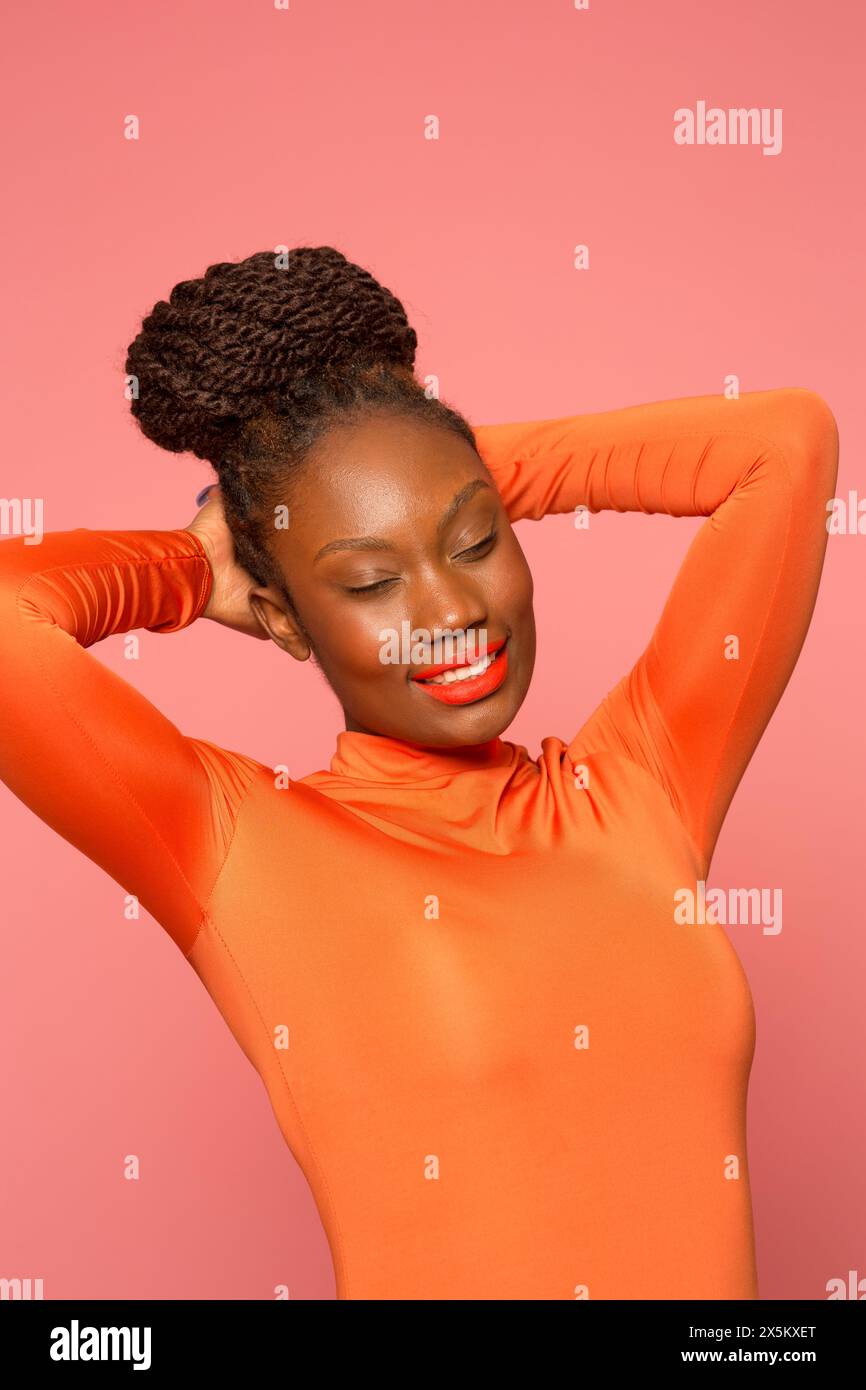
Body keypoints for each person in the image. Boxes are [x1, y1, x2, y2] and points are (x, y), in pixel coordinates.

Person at [0, 246, 839, 1299]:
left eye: (475, 537)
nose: (450, 612)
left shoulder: (639, 789)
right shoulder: (234, 844)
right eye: (369, 578)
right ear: (279, 619)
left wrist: (408, 454)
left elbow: (782, 443)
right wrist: (194, 564)